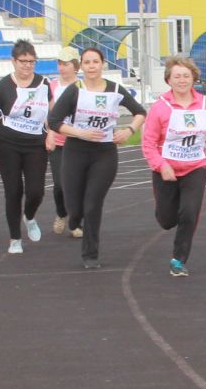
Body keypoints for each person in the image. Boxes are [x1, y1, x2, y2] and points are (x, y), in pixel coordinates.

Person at [47, 46, 146, 270]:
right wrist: (79, 132)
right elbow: (54, 121)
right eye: (87, 62)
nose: (91, 66)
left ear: (102, 65)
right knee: (74, 204)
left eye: (95, 62)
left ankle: (90, 254)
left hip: (104, 153)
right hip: (75, 151)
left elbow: (140, 112)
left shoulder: (116, 89)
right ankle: (73, 218)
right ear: (80, 66)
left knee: (93, 204)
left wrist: (129, 131)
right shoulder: (74, 90)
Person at [142, 54, 206, 277]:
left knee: (190, 213)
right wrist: (160, 164)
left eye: (186, 76)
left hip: (196, 167)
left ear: (194, 78)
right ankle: (165, 214)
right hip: (166, 170)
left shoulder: (205, 104)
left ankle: (178, 259)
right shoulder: (160, 107)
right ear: (169, 80)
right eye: (177, 76)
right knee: (167, 220)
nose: (182, 80)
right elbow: (148, 143)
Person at [0, 39, 53, 254]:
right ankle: (15, 238)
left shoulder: (44, 84)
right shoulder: (4, 86)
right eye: (23, 61)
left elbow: (52, 114)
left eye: (31, 61)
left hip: (35, 145)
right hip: (8, 144)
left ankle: (29, 216)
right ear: (14, 61)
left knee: (36, 191)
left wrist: (51, 134)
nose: (27, 66)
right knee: (13, 191)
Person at [47, 46, 78, 235]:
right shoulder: (51, 87)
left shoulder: (82, 87)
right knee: (60, 184)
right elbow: (48, 113)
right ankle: (61, 212)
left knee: (78, 184)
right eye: (59, 64)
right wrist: (49, 133)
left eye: (65, 64)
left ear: (75, 66)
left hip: (78, 142)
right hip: (58, 142)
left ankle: (78, 222)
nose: (61, 68)